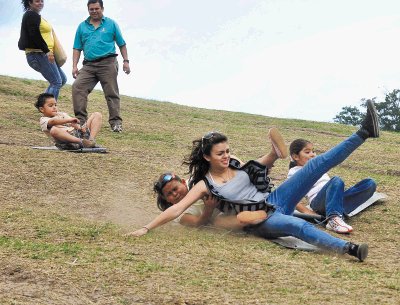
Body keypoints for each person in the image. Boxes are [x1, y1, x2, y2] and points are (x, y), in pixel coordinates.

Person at [128, 100, 380, 262]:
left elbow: (257, 169)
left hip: (273, 199)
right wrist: (147, 228)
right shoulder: (204, 184)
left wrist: (271, 155)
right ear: (207, 157)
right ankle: (349, 249)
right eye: (220, 154)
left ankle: (364, 131)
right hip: (259, 218)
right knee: (297, 227)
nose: (226, 156)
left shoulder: (234, 163)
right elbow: (176, 209)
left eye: (227, 151)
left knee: (315, 165)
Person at [152, 128, 288, 230]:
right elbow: (199, 223)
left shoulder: (196, 180)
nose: (174, 194)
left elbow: (239, 172)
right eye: (169, 194)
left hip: (237, 197)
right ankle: (252, 217)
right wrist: (208, 209)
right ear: (167, 200)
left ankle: (271, 156)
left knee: (239, 167)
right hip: (227, 211)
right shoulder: (181, 214)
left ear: (182, 182)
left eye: (174, 189)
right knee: (217, 222)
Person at [287, 138, 377, 234]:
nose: (313, 154)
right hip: (318, 204)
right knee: (336, 180)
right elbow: (289, 197)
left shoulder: (318, 165)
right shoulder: (294, 172)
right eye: (307, 152)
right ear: (296, 156)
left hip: (335, 199)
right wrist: (307, 212)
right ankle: (333, 218)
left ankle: (337, 211)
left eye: (313, 151)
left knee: (370, 184)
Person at [72, 0, 131, 133]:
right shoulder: (82, 27)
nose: (94, 11)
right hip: (88, 65)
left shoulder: (111, 24)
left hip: (108, 63)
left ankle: (116, 122)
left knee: (111, 92)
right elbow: (77, 48)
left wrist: (126, 61)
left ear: (102, 9)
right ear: (88, 10)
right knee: (77, 87)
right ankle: (81, 121)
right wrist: (74, 66)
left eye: (96, 8)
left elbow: (122, 44)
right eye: (91, 9)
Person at [18, 0, 67, 100]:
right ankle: (49, 110)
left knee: (62, 79)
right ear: (30, 3)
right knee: (56, 82)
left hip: (44, 54)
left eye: (42, 1)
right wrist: (47, 51)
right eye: (37, 1)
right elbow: (34, 35)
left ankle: (43, 103)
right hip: (39, 54)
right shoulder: (31, 15)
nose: (40, 3)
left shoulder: (36, 15)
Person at [34, 93, 102, 149]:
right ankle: (81, 142)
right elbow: (53, 121)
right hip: (67, 141)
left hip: (79, 134)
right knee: (53, 130)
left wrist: (79, 127)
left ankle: (90, 141)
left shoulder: (62, 114)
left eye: (55, 105)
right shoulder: (43, 120)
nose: (54, 107)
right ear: (42, 109)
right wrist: (69, 120)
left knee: (97, 115)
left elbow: (73, 124)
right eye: (50, 105)